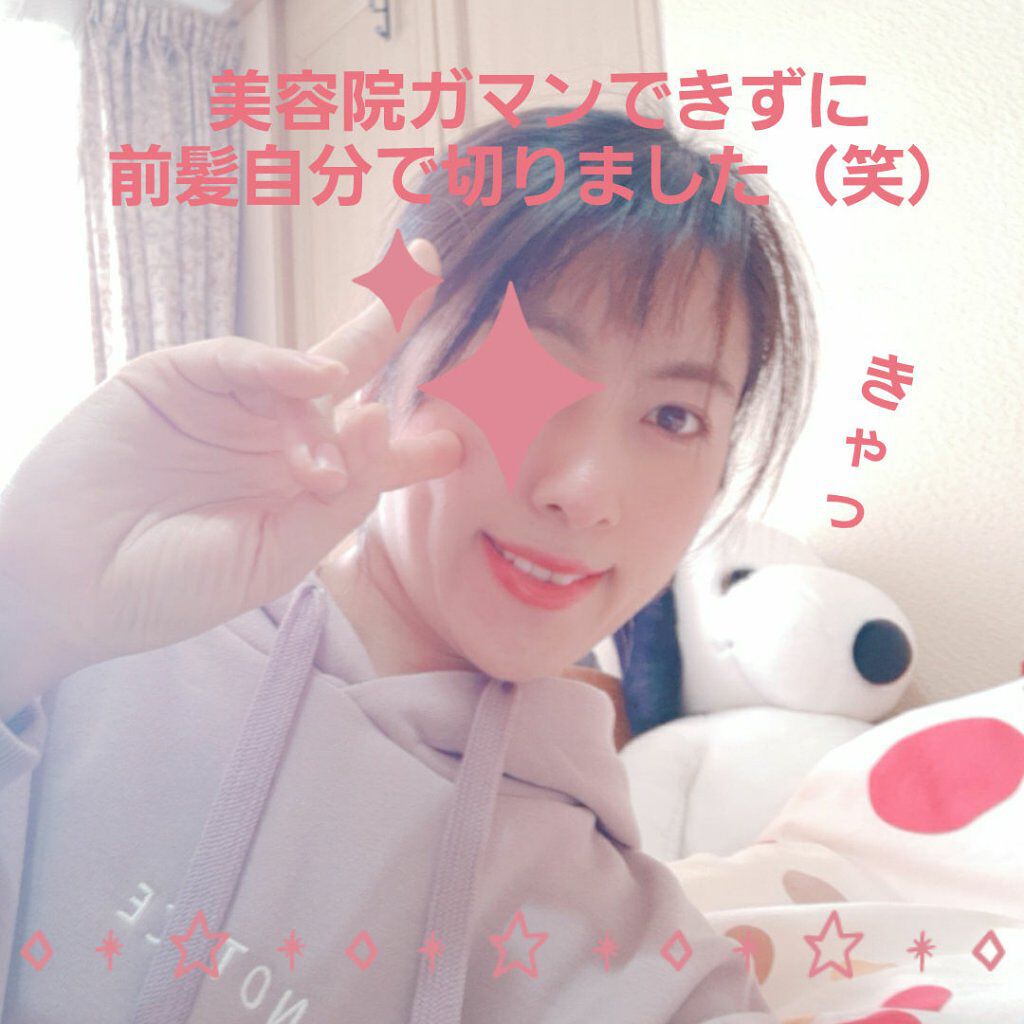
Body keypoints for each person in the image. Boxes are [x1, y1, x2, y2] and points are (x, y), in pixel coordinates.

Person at [0, 107, 815, 1023]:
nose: (587, 492)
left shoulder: (621, 929)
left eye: (674, 417)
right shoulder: (91, 648)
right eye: (529, 368)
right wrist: (21, 609)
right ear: (391, 362)